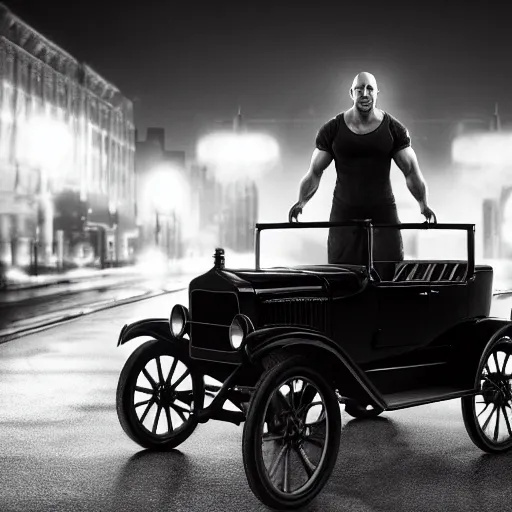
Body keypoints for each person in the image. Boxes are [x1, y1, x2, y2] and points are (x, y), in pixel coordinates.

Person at [288, 71, 436, 269]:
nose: (365, 93)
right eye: (359, 89)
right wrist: (301, 202)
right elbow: (315, 172)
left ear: (377, 93)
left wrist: (423, 205)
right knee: (342, 278)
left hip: (383, 216)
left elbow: (411, 172)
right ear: (352, 93)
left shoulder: (393, 129)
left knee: (388, 274)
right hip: (344, 216)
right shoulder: (332, 130)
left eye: (370, 89)